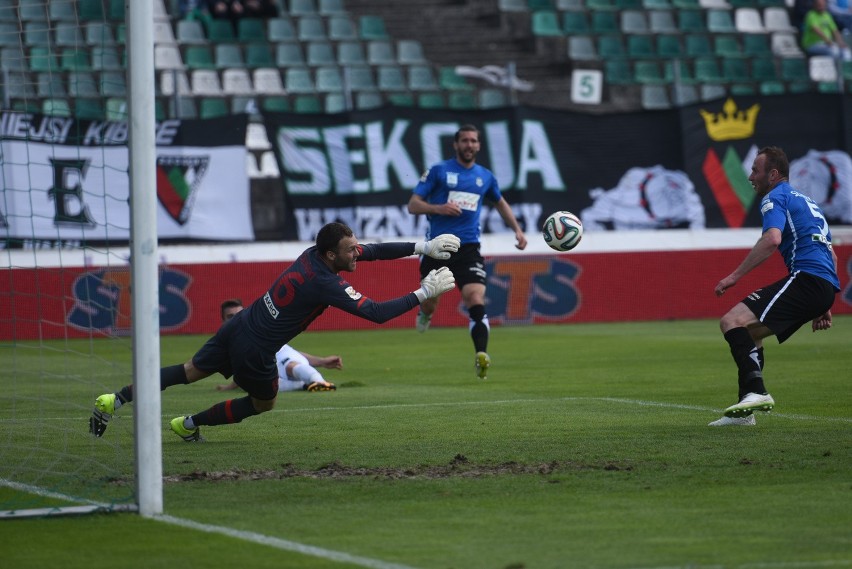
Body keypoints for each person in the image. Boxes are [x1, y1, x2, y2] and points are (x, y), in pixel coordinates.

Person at [89, 223, 459, 441]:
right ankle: (189, 424)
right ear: (332, 255)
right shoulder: (326, 283)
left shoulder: (314, 254)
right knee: (264, 403)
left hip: (240, 325)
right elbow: (376, 313)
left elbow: (372, 249)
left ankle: (115, 399)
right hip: (256, 348)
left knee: (187, 372)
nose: (356, 254)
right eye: (350, 251)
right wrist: (424, 292)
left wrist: (421, 247)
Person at [710, 146, 839, 427]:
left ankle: (756, 392)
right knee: (750, 331)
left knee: (731, 321)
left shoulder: (774, 197)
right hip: (821, 285)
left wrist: (734, 276)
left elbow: (772, 239)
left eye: (755, 171)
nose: (750, 177)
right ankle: (746, 413)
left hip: (807, 278)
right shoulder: (807, 202)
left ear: (774, 174)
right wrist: (826, 303)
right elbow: (832, 254)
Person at [407, 124, 528, 380]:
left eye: (474, 141)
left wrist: (517, 230)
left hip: (470, 248)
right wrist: (440, 208)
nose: (469, 145)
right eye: (465, 141)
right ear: (456, 144)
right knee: (430, 301)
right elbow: (413, 205)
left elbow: (500, 202)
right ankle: (425, 314)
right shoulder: (439, 171)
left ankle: (481, 354)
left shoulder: (485, 177)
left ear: (479, 145)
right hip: (438, 247)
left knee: (475, 298)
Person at [215, 299, 342, 393]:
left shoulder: (258, 330)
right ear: (223, 320)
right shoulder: (228, 343)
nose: (236, 319)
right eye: (231, 317)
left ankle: (319, 382)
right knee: (260, 384)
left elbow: (288, 353)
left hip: (283, 360)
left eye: (239, 314)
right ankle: (307, 384)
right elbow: (242, 372)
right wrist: (230, 387)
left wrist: (321, 361)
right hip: (272, 372)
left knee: (290, 365)